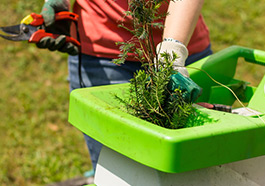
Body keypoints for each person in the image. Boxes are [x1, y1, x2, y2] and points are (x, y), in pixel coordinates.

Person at [38, 0, 212, 173]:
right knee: (116, 170)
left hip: (183, 42)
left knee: (198, 169)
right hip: (102, 48)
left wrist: (173, 51)